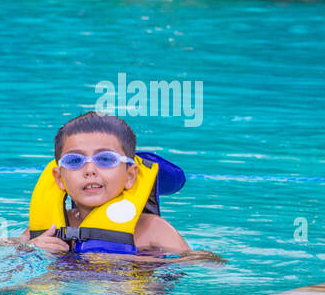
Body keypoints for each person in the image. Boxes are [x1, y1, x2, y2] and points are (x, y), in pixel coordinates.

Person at [16, 111, 198, 259]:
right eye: (74, 160)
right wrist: (30, 251)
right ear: (59, 179)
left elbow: (206, 264)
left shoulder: (154, 230)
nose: (90, 170)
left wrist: (134, 259)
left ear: (130, 175)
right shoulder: (44, 231)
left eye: (105, 159)